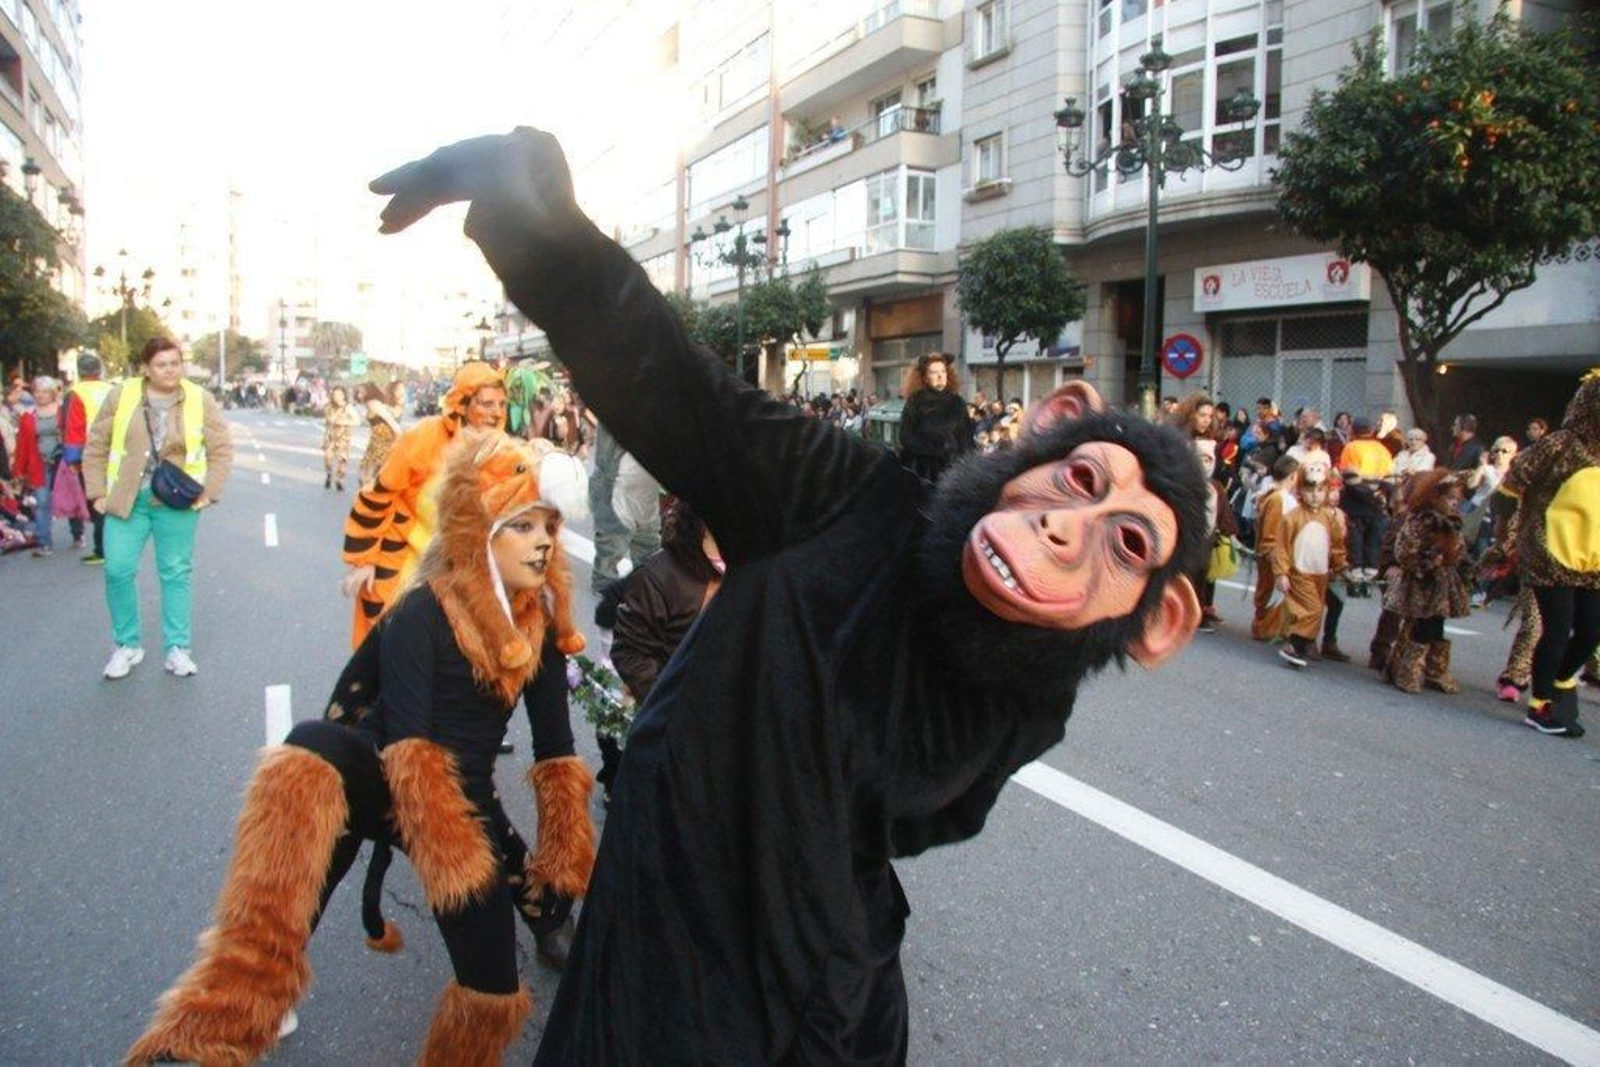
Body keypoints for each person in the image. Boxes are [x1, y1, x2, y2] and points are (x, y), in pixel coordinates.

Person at [371, 128, 1210, 1063]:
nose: (1064, 529)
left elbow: (935, 814)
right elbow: (672, 383)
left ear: (1159, 623)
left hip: (829, 994)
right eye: (1080, 482)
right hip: (668, 949)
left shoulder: (1036, 693)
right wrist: (542, 228)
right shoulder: (853, 504)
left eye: (1125, 543)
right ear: (1048, 436)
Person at [125, 432, 596, 1066]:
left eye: (550, 527)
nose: (544, 542)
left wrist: (562, 859)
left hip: (466, 801)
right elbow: (373, 728)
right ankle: (219, 1023)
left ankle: (544, 923)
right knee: (314, 749)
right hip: (386, 776)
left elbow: (556, 752)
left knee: (493, 992)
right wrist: (326, 813)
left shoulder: (540, 624)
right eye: (523, 525)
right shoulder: (422, 611)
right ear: (477, 534)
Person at [83, 338, 233, 679]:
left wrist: (210, 492)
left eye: (175, 363)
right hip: (127, 500)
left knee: (175, 573)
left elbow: (221, 449)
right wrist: (96, 492)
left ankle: (177, 648)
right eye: (162, 365)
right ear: (146, 369)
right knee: (117, 569)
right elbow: (96, 445)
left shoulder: (199, 398)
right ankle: (127, 645)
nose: (170, 370)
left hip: (177, 501)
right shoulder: (121, 395)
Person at [340, 360, 506, 647]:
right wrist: (363, 561)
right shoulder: (424, 437)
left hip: (455, 575)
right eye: (487, 403)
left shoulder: (501, 451)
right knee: (386, 650)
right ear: (463, 403)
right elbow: (378, 495)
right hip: (403, 566)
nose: (497, 413)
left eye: (501, 404)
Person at [1499, 370, 1600, 737]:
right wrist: (1517, 531)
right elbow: (1513, 480)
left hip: (1593, 557)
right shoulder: (1562, 443)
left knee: (1590, 632)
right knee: (1556, 629)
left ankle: (1560, 680)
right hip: (1551, 551)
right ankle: (1540, 705)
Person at [1382, 470, 1470, 693]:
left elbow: (1460, 550)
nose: (1454, 503)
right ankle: (1406, 669)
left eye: (1457, 500)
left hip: (1442, 584)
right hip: (1421, 583)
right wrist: (1428, 561)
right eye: (1450, 498)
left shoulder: (1452, 523)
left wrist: (1456, 557)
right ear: (1435, 497)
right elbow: (1404, 551)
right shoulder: (1421, 520)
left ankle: (1435, 669)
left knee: (1437, 625)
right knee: (1419, 625)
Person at [1271, 466, 1347, 668]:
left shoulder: (1328, 517)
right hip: (1299, 573)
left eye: (1320, 490)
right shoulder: (1292, 517)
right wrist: (1281, 573)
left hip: (1320, 574)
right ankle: (1293, 645)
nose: (1315, 495)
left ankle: (1304, 644)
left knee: (1316, 609)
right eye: (1309, 489)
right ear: (1300, 491)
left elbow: (1336, 544)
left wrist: (1341, 565)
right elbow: (1281, 547)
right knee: (1311, 609)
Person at [13, 375, 79, 557]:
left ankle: (77, 533)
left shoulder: (62, 411)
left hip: (63, 462)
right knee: (42, 502)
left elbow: (74, 434)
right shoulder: (28, 415)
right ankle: (44, 543)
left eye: (44, 391)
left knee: (70, 497)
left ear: (52, 393)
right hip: (39, 464)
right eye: (37, 391)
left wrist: (77, 458)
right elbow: (22, 445)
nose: (40, 395)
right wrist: (19, 470)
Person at [62, 352, 114, 563]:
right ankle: (117, 545)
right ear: (99, 370)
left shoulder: (76, 393)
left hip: (91, 454)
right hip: (116, 450)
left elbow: (73, 428)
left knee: (97, 501)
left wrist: (73, 460)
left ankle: (102, 550)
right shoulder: (112, 389)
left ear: (79, 371)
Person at [896, 352, 971, 482]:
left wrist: (963, 462)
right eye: (934, 372)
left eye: (943, 371)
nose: (940, 376)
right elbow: (906, 436)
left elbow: (966, 438)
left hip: (952, 469)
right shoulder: (915, 401)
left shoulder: (957, 402)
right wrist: (934, 448)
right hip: (922, 470)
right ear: (925, 378)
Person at [355, 381, 401, 485]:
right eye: (358, 392)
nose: (359, 395)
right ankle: (372, 486)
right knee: (372, 466)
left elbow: (389, 419)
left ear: (369, 392)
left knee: (372, 465)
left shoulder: (373, 403)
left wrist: (398, 435)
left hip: (383, 437)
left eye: (362, 393)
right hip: (377, 437)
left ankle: (370, 487)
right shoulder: (370, 404)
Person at [321, 385, 362, 491]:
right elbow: (326, 420)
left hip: (343, 437)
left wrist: (343, 422)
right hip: (330, 436)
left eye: (339, 394)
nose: (337, 397)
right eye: (335, 394)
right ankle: (329, 474)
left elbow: (357, 421)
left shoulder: (348, 407)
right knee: (327, 457)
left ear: (343, 395)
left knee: (342, 460)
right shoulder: (329, 407)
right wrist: (328, 421)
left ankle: (339, 480)